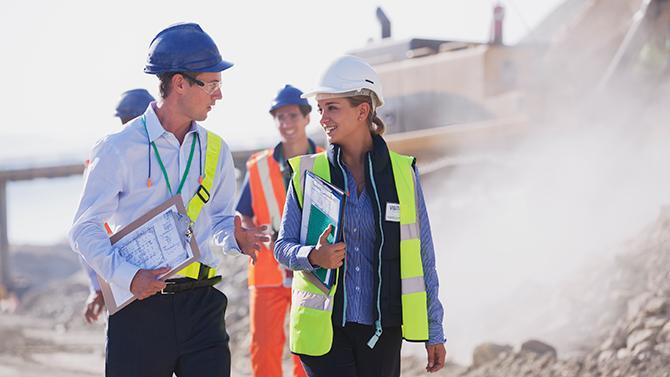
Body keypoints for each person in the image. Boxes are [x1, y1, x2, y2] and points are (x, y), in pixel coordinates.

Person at [69, 23, 267, 377]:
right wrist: (129, 278)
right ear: (179, 83)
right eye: (212, 83)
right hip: (139, 308)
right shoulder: (116, 149)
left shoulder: (216, 149)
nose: (218, 95)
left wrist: (235, 237)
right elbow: (83, 230)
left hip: (202, 304)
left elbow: (220, 220)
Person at [274, 55, 447, 376]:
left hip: (381, 332)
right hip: (324, 333)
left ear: (362, 110)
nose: (322, 118)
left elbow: (424, 255)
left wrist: (433, 328)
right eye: (321, 108)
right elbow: (282, 247)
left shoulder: (402, 174)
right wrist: (313, 255)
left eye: (332, 107)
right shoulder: (309, 172)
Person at [236, 84, 321, 377]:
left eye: (292, 116)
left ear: (307, 118)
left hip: (312, 269)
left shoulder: (326, 160)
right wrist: (251, 234)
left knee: (308, 347)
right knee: (265, 347)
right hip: (268, 272)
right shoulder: (258, 167)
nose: (286, 124)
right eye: (280, 117)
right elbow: (242, 212)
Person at [81, 88, 156, 324]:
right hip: (123, 277)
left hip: (150, 278)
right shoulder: (107, 160)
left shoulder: (163, 160)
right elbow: (89, 230)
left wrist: (97, 286)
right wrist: (98, 286)